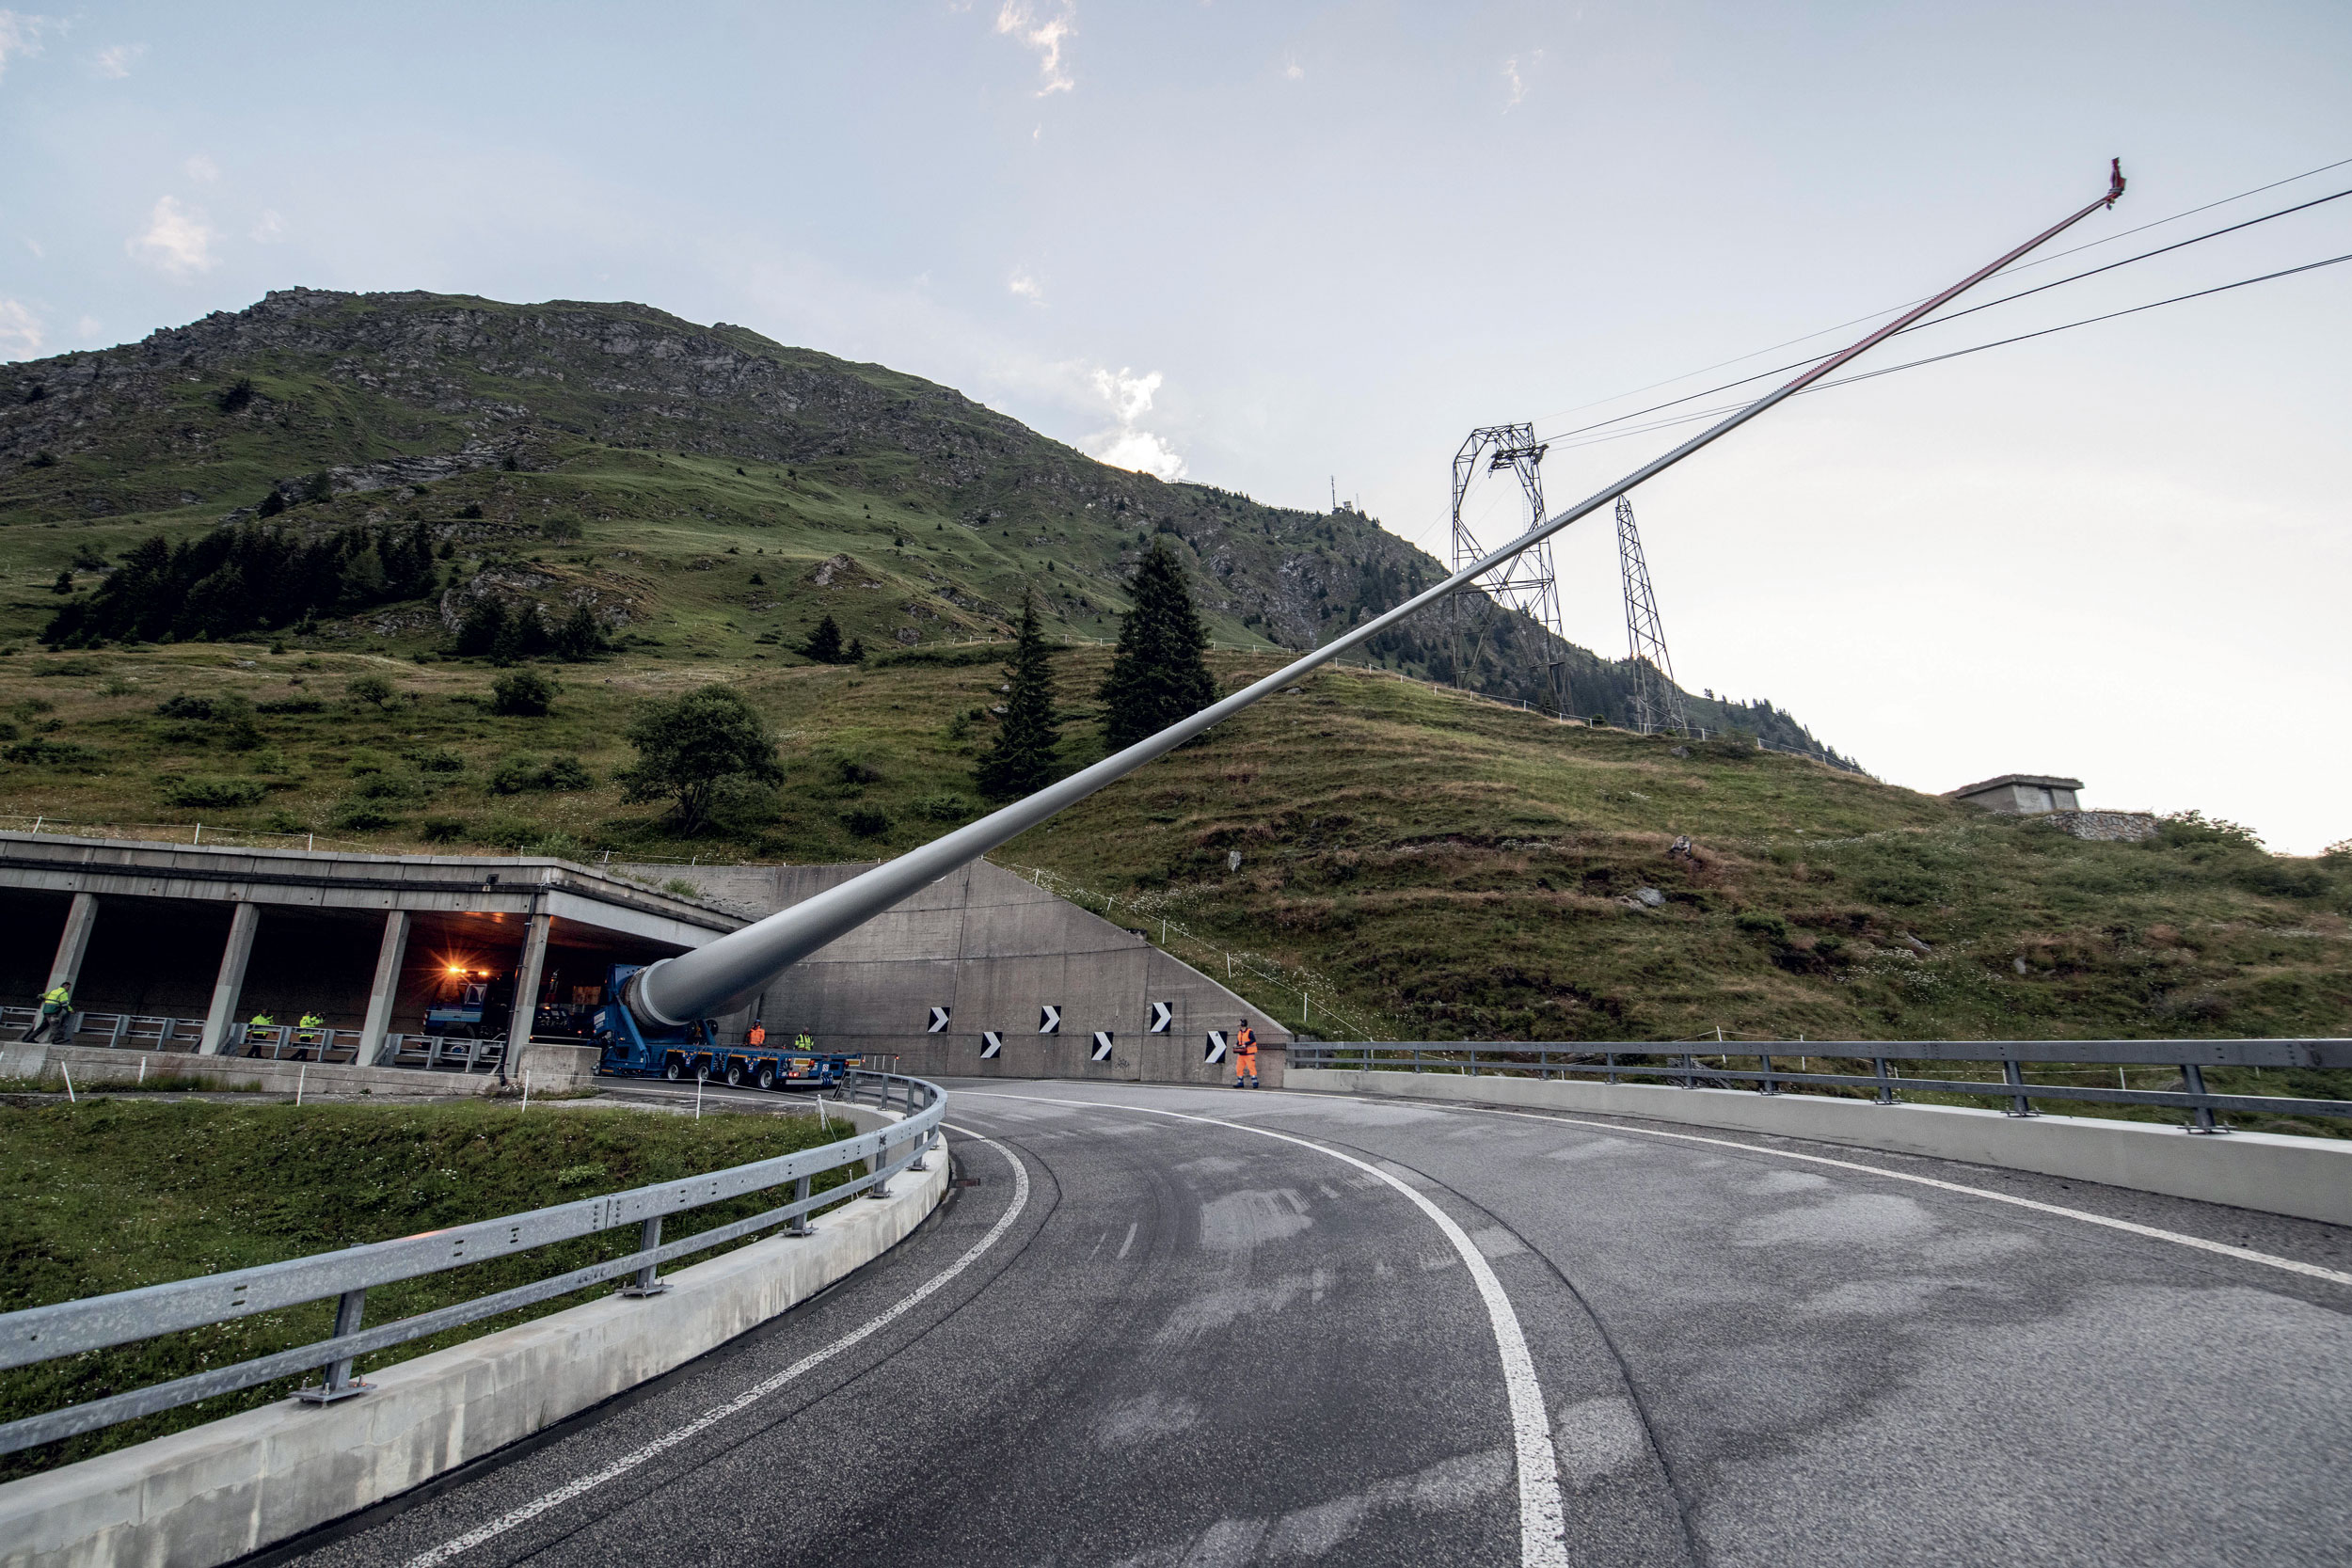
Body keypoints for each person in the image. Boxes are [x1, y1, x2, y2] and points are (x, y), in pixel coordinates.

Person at [1233, 1020, 1259, 1089]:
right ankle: (1240, 1083)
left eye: (1239, 1023)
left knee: (1251, 1068)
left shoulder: (1249, 1031)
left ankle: (1255, 1083)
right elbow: (1240, 1041)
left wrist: (1246, 1044)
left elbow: (1253, 1040)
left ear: (1242, 1024)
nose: (1238, 1024)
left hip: (1249, 1053)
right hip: (1242, 1053)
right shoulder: (1240, 1032)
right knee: (1239, 1068)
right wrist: (1237, 1044)